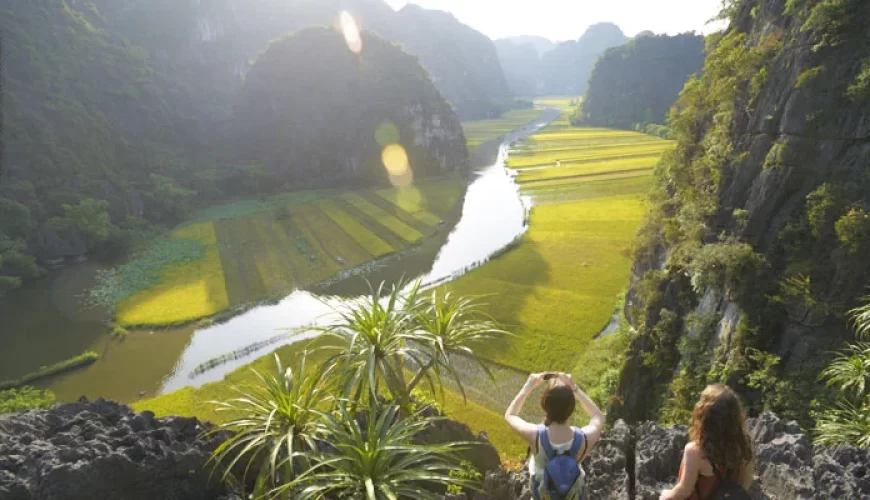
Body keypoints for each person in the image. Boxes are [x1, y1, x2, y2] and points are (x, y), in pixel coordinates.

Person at [505, 372, 604, 499]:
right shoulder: (584, 438)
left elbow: (510, 415)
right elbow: (598, 417)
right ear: (572, 407)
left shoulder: (535, 435)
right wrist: (575, 388)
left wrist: (528, 386)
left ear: (544, 405)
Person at [660, 384, 755, 500]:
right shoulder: (743, 443)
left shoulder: (696, 451)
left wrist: (665, 495)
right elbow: (745, 483)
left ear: (704, 415)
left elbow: (683, 491)